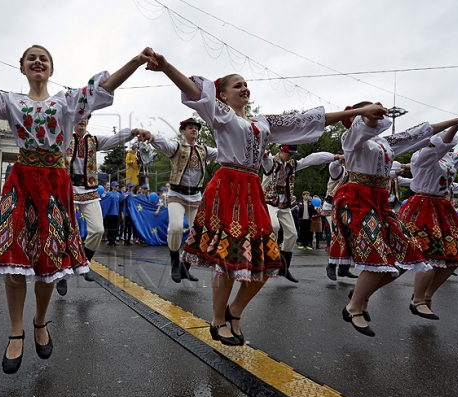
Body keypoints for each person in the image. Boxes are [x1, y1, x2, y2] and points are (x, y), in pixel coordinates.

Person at [0, 41, 154, 373]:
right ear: (22, 67)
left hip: (54, 182)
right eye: (31, 58)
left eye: (44, 58)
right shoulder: (10, 102)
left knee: (48, 257)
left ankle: (39, 321)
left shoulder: (67, 102)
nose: (38, 61)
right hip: (21, 181)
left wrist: (135, 61)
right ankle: (16, 330)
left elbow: (102, 88)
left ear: (51, 69)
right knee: (14, 256)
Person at [142, 48, 385, 346]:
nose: (244, 88)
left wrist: (357, 112)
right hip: (228, 186)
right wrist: (166, 66)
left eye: (246, 84)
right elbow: (194, 90)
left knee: (267, 259)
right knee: (228, 257)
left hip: (252, 189)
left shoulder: (263, 123)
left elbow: (307, 121)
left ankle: (235, 311)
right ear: (222, 95)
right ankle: (218, 319)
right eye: (237, 85)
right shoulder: (221, 114)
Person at [332, 101, 458, 337]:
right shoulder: (352, 139)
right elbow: (364, 126)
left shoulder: (386, 142)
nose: (379, 115)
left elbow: (420, 132)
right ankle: (353, 307)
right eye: (372, 112)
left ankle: (360, 297)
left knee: (404, 255)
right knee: (376, 254)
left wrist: (456, 121)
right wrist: (367, 114)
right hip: (358, 199)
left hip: (380, 201)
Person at [399, 123, 458, 319]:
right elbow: (439, 145)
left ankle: (426, 296)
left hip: (443, 208)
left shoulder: (449, 160)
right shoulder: (420, 156)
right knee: (424, 255)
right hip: (422, 207)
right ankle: (416, 300)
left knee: (456, 255)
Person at [55, 115, 138, 295]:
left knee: (98, 230)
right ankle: (63, 275)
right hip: (67, 189)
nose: (83, 120)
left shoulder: (94, 140)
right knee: (67, 232)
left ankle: (84, 263)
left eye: (86, 118)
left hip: (90, 191)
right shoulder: (62, 137)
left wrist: (133, 132)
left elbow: (115, 139)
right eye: (79, 117)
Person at [147, 117, 217, 283]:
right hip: (177, 195)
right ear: (183, 131)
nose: (194, 130)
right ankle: (174, 264)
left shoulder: (204, 150)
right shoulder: (176, 148)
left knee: (199, 233)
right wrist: (150, 135)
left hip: (195, 196)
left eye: (196, 128)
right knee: (176, 227)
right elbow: (162, 143)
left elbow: (224, 152)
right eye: (190, 127)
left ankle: (185, 266)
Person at [262, 145, 337, 282]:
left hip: (284, 205)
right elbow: (265, 162)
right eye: (288, 154)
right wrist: (264, 156)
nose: (291, 157)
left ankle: (284, 269)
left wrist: (335, 157)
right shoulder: (271, 162)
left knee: (292, 234)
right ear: (281, 151)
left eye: (292, 154)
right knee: (275, 226)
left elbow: (312, 159)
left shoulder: (292, 165)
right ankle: (269, 258)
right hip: (269, 201)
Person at [104, 181, 123, 246]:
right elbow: (106, 202)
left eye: (117, 186)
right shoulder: (109, 194)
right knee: (110, 227)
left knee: (116, 227)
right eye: (115, 186)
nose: (116, 187)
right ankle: (110, 240)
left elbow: (121, 201)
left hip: (116, 213)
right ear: (112, 186)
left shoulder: (118, 194)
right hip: (110, 213)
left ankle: (113, 239)